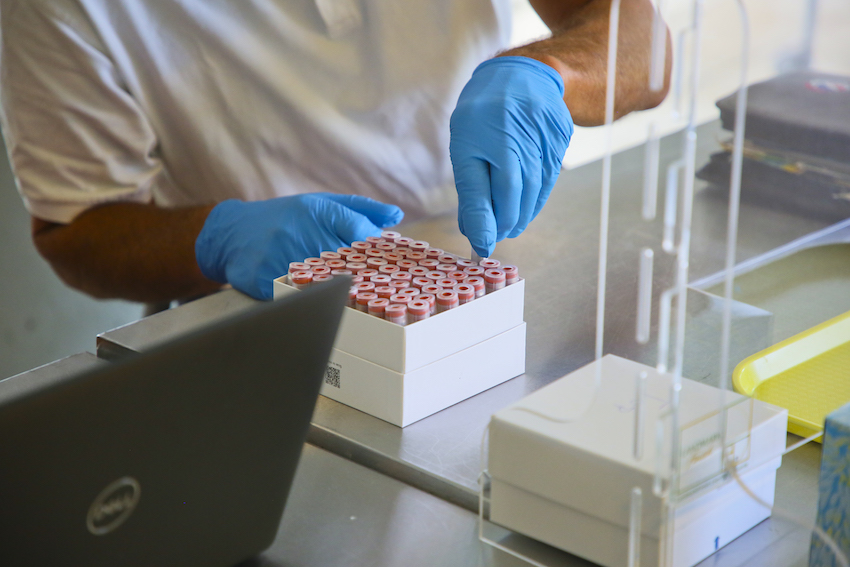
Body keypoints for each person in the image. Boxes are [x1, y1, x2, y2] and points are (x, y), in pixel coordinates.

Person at [0, 0, 670, 302]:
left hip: (487, 262)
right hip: (261, 314)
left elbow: (645, 44)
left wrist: (549, 73)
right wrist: (218, 238)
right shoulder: (55, 8)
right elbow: (76, 228)